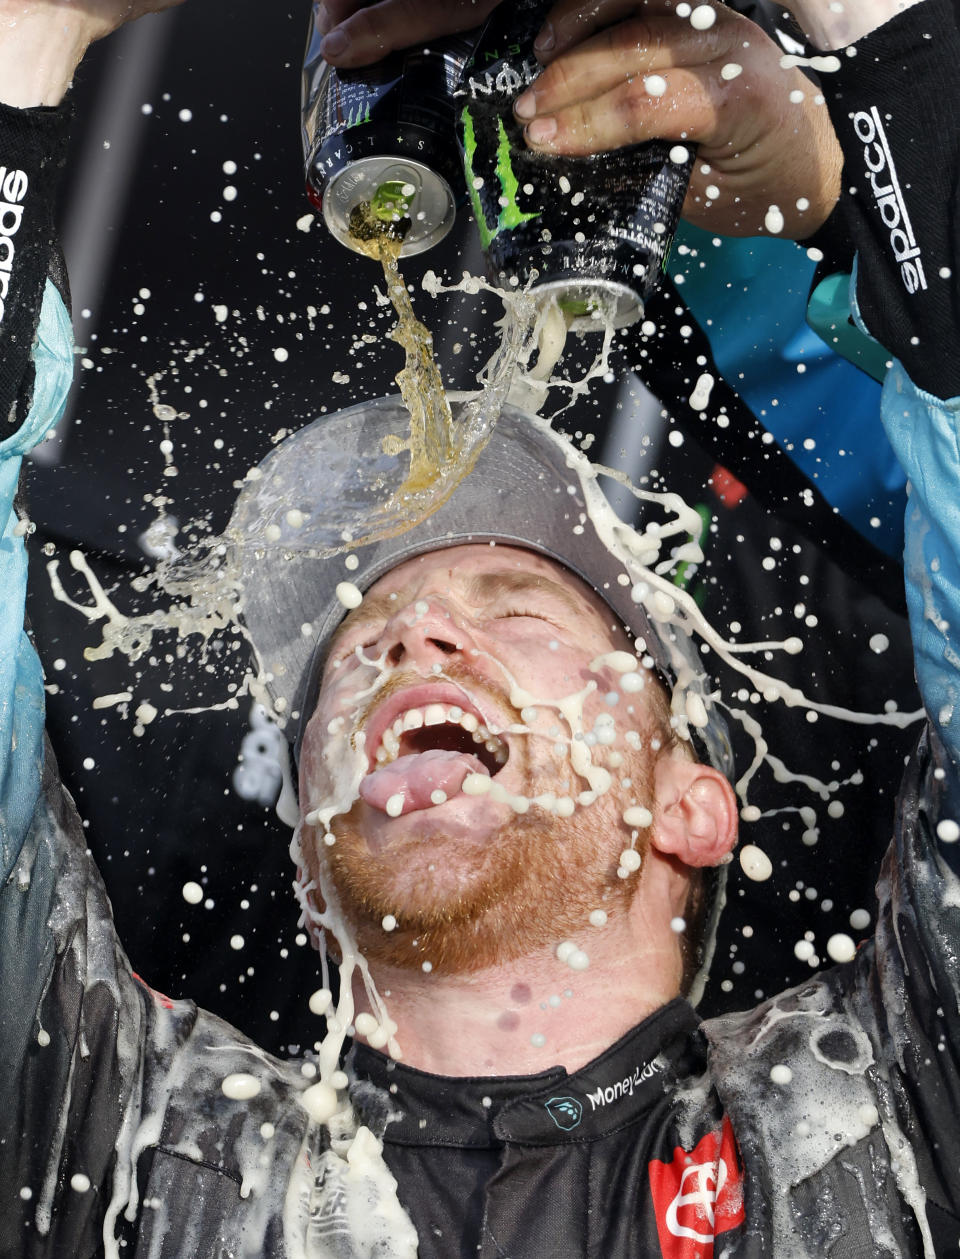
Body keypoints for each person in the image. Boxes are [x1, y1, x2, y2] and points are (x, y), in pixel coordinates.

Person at [2, 3, 959, 1259]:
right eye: (360, 643)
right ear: (306, 861)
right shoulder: (117, 1152)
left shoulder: (896, 1122)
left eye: (517, 605)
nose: (414, 639)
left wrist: (868, 70)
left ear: (692, 802)